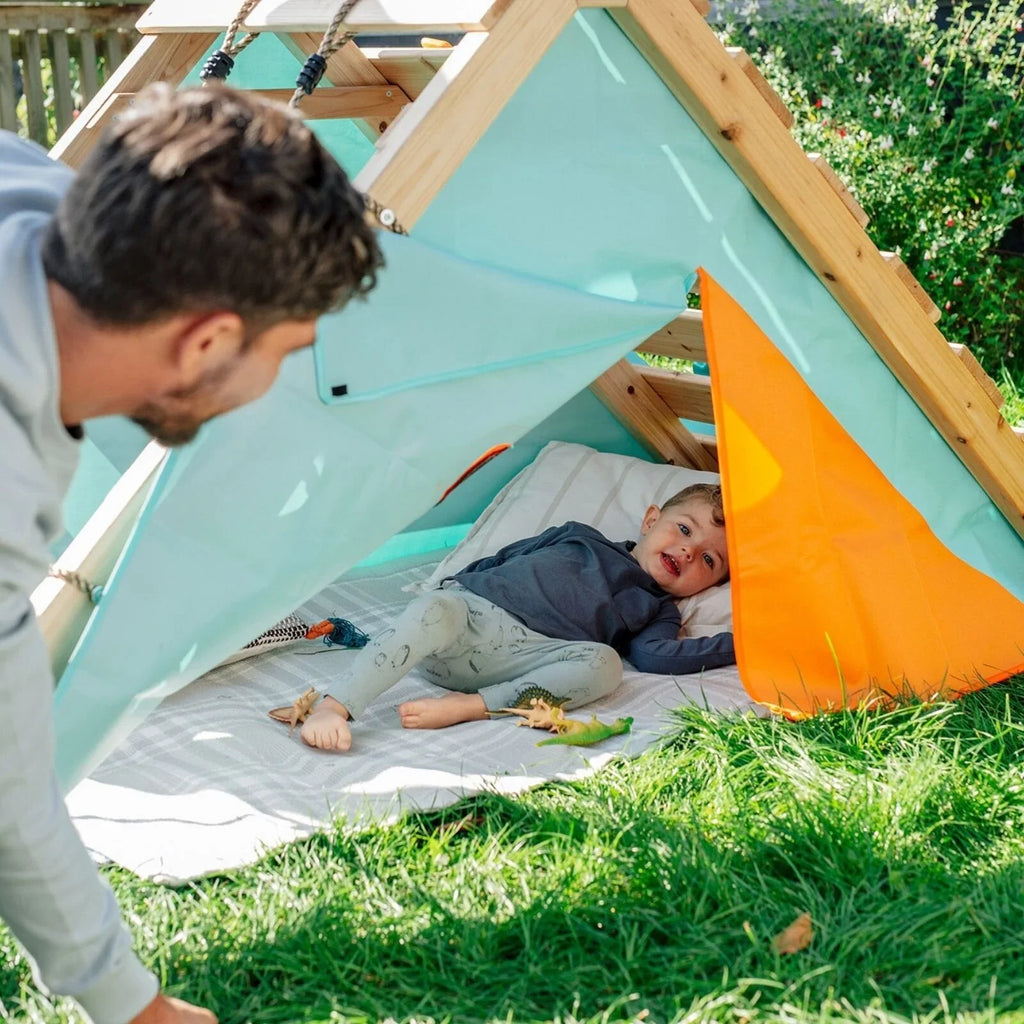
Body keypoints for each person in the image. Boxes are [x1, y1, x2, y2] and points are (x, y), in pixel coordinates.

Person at [0, 83, 383, 1023]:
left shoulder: (35, 194)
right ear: (208, 337)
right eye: (285, 353)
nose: (273, 384)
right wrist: (133, 1005)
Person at [296, 483, 734, 752]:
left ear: (708, 586)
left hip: (528, 661)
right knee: (435, 607)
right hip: (469, 621)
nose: (689, 551)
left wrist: (742, 642)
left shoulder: (658, 610)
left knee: (607, 666)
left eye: (710, 560)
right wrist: (459, 585)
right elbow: (506, 557)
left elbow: (657, 657)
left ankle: (471, 707)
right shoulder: (579, 536)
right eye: (684, 529)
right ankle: (335, 708)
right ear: (650, 518)